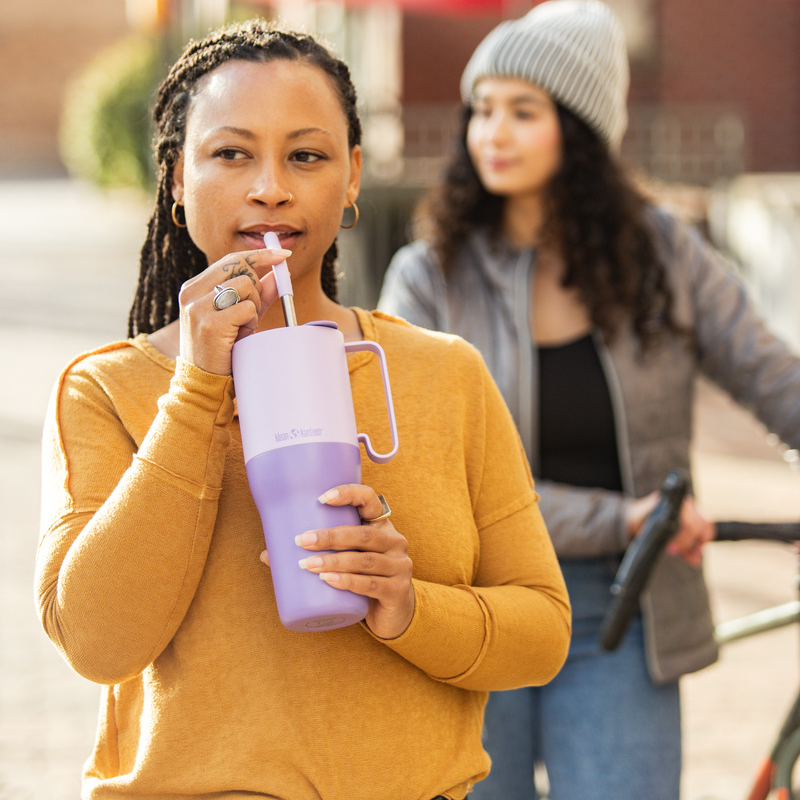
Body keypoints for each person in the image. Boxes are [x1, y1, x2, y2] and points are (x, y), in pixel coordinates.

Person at [35, 18, 570, 800]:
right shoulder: (108, 390)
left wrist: (408, 604)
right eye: (231, 153)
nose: (271, 187)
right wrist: (196, 389)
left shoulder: (443, 375)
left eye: (307, 155)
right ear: (177, 178)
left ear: (352, 176)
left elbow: (543, 632)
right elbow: (95, 641)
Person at [378, 1, 800, 798]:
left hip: (622, 607)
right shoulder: (427, 275)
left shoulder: (664, 255)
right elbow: (429, 476)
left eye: (522, 111)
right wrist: (620, 515)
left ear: (578, 126)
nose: (491, 132)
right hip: (472, 599)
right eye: (484, 109)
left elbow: (774, 377)